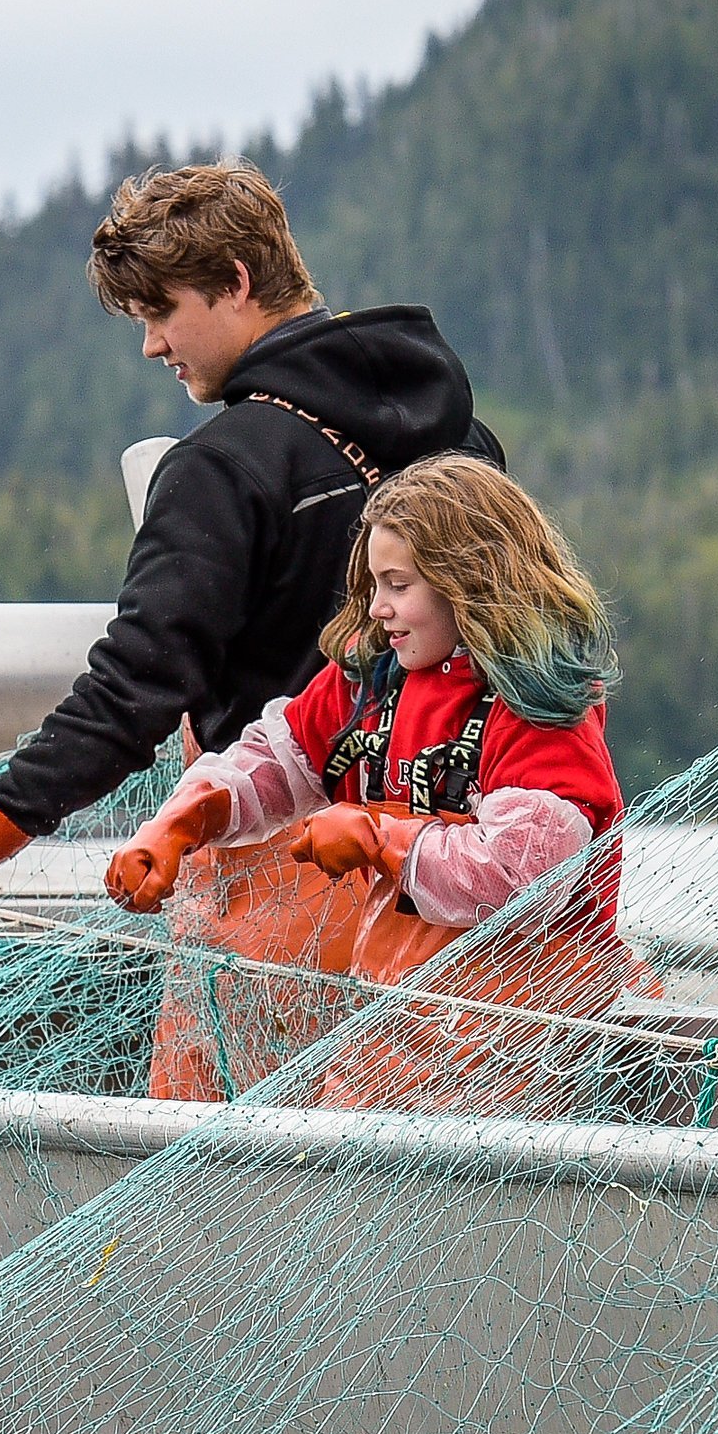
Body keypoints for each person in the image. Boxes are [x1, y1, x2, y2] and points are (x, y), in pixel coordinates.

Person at [0, 161, 500, 986]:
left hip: (288, 905)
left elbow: (131, 696)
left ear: (236, 282)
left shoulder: (223, 469)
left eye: (162, 311)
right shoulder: (468, 446)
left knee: (220, 1117)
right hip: (466, 894)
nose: (151, 343)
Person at [104, 455, 627, 1103]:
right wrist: (181, 822)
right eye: (374, 584)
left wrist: (381, 842)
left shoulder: (540, 708)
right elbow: (275, 763)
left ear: (470, 579)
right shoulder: (373, 685)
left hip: (523, 1049)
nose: (377, 607)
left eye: (399, 584)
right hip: (395, 1037)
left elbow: (527, 881)